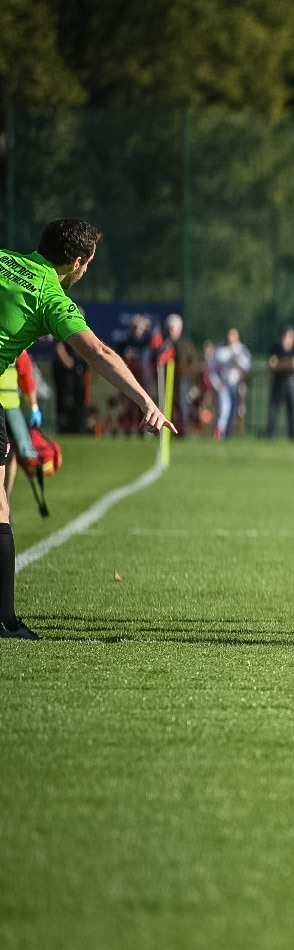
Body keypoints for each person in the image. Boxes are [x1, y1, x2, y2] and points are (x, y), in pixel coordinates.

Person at [0, 218, 176, 639]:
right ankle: (4, 620)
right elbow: (97, 353)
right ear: (77, 262)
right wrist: (147, 401)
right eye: (88, 265)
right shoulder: (50, 294)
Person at [0, 352, 41, 501]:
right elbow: (26, 378)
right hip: (10, 410)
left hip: (10, 409)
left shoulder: (17, 347)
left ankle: (5, 500)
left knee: (10, 455)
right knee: (10, 456)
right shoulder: (16, 343)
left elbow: (26, 377)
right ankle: (5, 501)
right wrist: (34, 408)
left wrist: (34, 408)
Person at [157, 314, 202, 436]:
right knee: (167, 405)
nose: (171, 331)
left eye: (173, 328)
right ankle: (166, 430)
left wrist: (184, 370)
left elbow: (193, 362)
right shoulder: (164, 343)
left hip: (182, 379)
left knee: (182, 404)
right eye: (169, 328)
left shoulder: (186, 344)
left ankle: (183, 430)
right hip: (166, 380)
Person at [207, 327, 251, 440]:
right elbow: (211, 368)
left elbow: (247, 366)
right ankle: (219, 432)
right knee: (224, 409)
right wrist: (217, 384)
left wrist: (238, 359)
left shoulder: (241, 349)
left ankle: (228, 434)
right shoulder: (220, 349)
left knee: (235, 410)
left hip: (236, 384)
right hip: (223, 385)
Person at [263, 326, 294, 439]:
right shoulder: (276, 348)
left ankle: (293, 437)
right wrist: (288, 364)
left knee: (292, 412)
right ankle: (271, 436)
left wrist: (280, 363)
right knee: (273, 411)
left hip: (291, 383)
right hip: (278, 383)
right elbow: (272, 365)